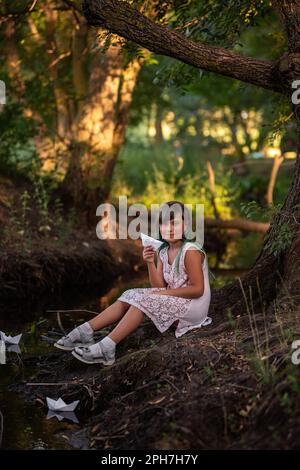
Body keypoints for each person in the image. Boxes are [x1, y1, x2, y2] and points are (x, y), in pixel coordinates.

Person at [54, 200, 212, 365]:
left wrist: (162, 293)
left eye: (175, 224)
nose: (170, 229)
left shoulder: (191, 251)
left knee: (143, 301)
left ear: (185, 225)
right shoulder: (164, 251)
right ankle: (85, 331)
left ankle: (107, 347)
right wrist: (150, 262)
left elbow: (197, 289)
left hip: (193, 308)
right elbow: (158, 287)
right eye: (165, 224)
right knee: (129, 294)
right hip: (176, 301)